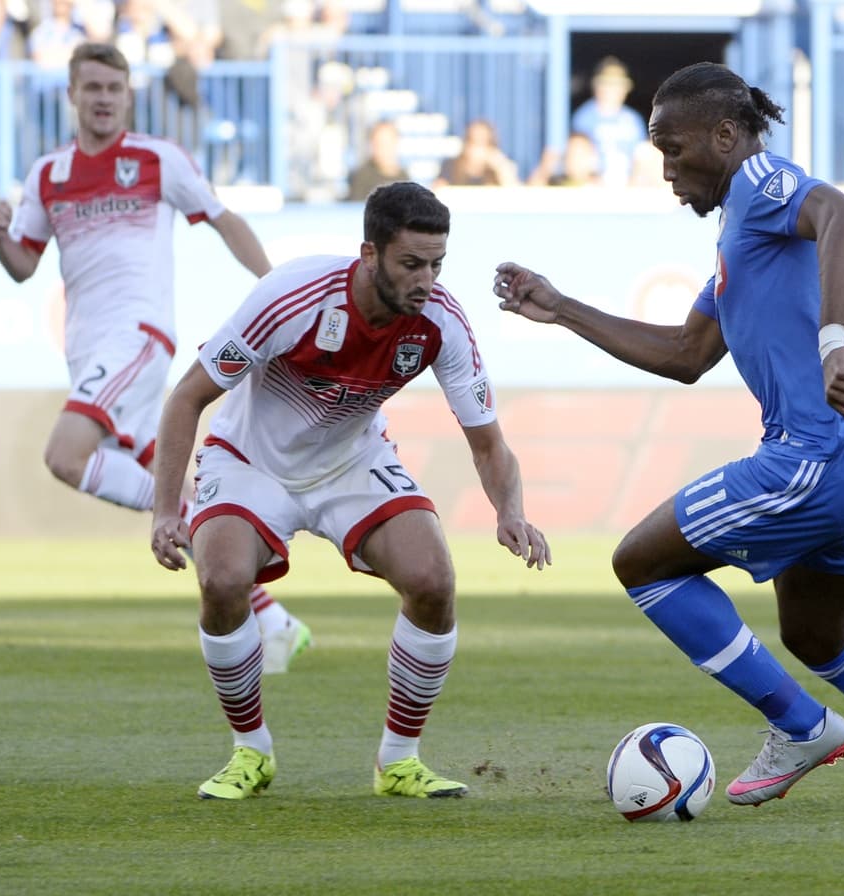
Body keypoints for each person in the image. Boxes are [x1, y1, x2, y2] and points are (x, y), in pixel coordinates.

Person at [493, 61, 844, 812]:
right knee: (816, 634)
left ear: (725, 135)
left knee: (643, 564)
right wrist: (563, 307)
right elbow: (686, 355)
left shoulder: (761, 182)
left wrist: (836, 340)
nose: (668, 171)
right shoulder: (738, 235)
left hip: (815, 456)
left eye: (674, 150)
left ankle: (800, 725)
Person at [148, 180, 551, 801]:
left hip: (350, 461)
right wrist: (165, 511)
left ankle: (399, 761)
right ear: (369, 255)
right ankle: (250, 752)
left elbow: (488, 442)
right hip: (250, 459)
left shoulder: (440, 322)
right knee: (223, 580)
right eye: (411, 263)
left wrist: (511, 512)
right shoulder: (292, 297)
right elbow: (188, 398)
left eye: (437, 264)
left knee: (433, 580)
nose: (426, 280)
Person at [0, 42, 312, 674]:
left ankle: (173, 524)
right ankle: (272, 618)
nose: (103, 98)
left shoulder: (157, 160)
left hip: (138, 335)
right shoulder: (48, 175)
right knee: (167, 479)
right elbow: (23, 265)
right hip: (88, 349)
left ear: (127, 95)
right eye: (92, 87)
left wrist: (277, 291)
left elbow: (223, 219)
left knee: (65, 455)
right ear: (72, 95)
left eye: (114, 87)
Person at [570, 56, 648, 188]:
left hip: (630, 181)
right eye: (606, 84)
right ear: (596, 87)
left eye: (617, 85)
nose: (611, 90)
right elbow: (578, 155)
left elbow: (642, 154)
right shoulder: (585, 116)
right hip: (595, 181)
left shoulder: (633, 119)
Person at [432, 118, 518, 188]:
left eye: (483, 142)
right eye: (474, 142)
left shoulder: (495, 171)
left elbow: (515, 194)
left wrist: (501, 166)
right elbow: (437, 192)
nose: (478, 149)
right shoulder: (450, 166)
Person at [346, 118, 409, 201]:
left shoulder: (404, 177)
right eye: (379, 144)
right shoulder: (362, 177)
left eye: (388, 143)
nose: (384, 149)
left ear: (396, 143)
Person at [526, 132, 601, 188]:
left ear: (592, 156)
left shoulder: (600, 188)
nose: (574, 159)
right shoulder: (557, 184)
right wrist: (544, 169)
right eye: (571, 153)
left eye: (580, 154)